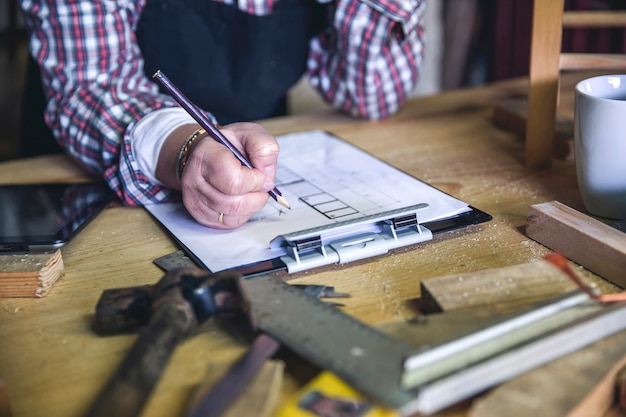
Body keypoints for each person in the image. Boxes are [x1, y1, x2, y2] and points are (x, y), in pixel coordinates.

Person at [18, 0, 426, 229]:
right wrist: (188, 148)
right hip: (78, 193)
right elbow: (91, 84)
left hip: (255, 168)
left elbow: (369, 96)